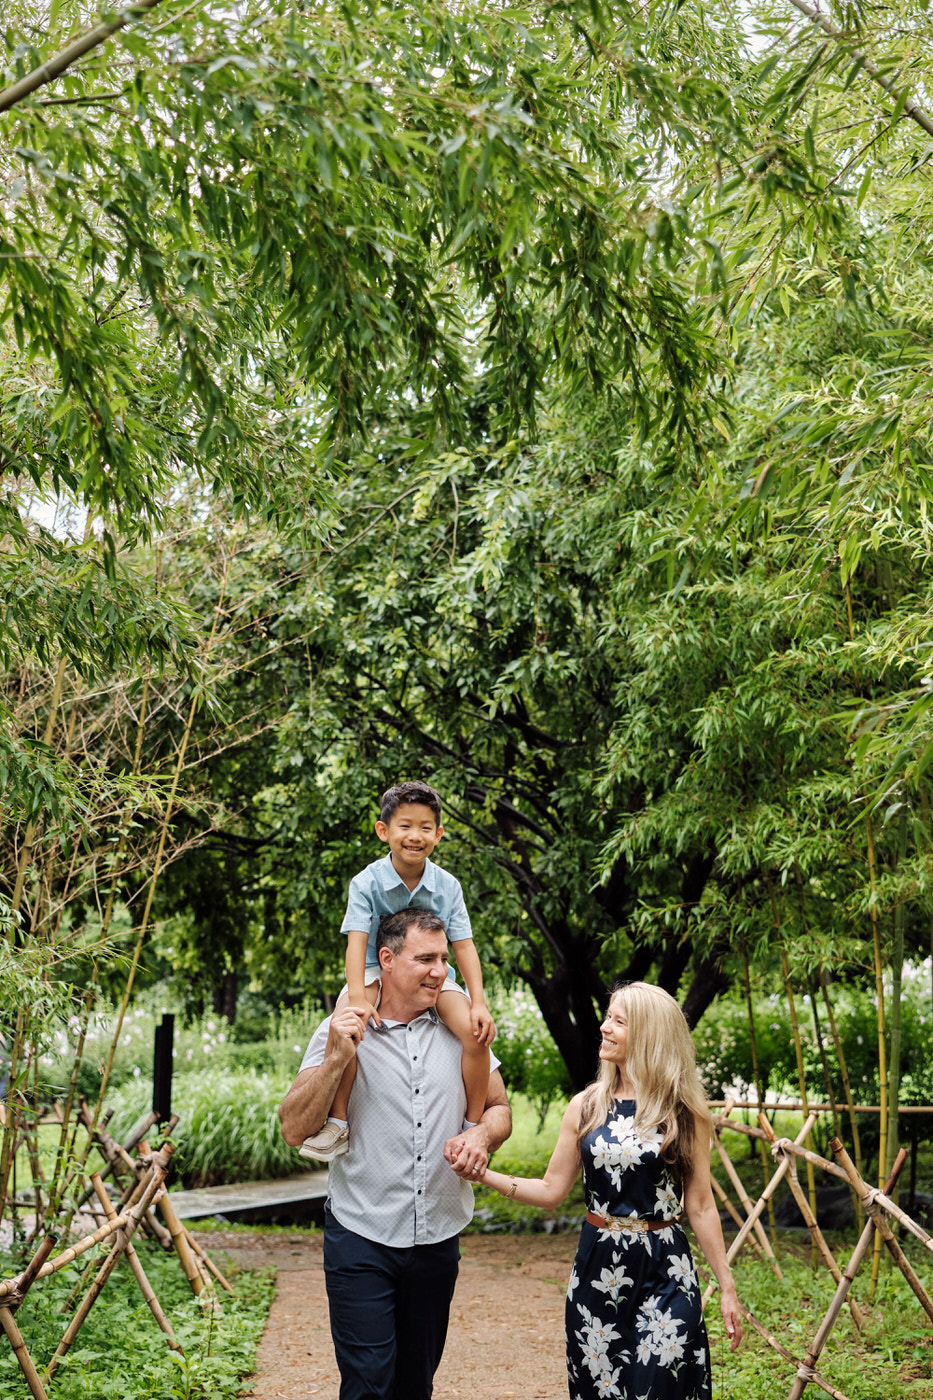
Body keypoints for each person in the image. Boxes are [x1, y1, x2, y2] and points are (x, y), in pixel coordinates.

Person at [464, 980, 742, 1400]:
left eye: (618, 1021)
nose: (604, 1028)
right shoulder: (587, 1105)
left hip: (667, 1271)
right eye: (607, 1017)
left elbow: (700, 1205)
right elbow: (551, 1189)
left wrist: (726, 1285)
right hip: (598, 1271)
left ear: (648, 1034)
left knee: (661, 1385)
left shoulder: (684, 1111)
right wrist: (484, 1174)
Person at [279, 907, 511, 1400]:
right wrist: (339, 1055)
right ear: (386, 958)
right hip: (361, 1235)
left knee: (414, 1385)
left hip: (437, 1237)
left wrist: (481, 1137)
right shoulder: (341, 1026)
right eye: (425, 958)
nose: (440, 971)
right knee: (367, 1386)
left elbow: (499, 1108)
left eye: (444, 959)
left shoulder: (462, 1029)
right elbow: (293, 1127)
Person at [300, 779, 496, 1160]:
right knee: (348, 1024)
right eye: (405, 826)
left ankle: (472, 1125)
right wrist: (358, 998)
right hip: (376, 970)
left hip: (431, 973)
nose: (415, 836)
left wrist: (479, 1002)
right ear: (384, 831)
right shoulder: (366, 882)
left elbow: (464, 945)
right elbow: (356, 942)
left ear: (438, 834)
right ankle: (338, 1122)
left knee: (475, 1034)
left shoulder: (447, 885)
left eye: (425, 828)